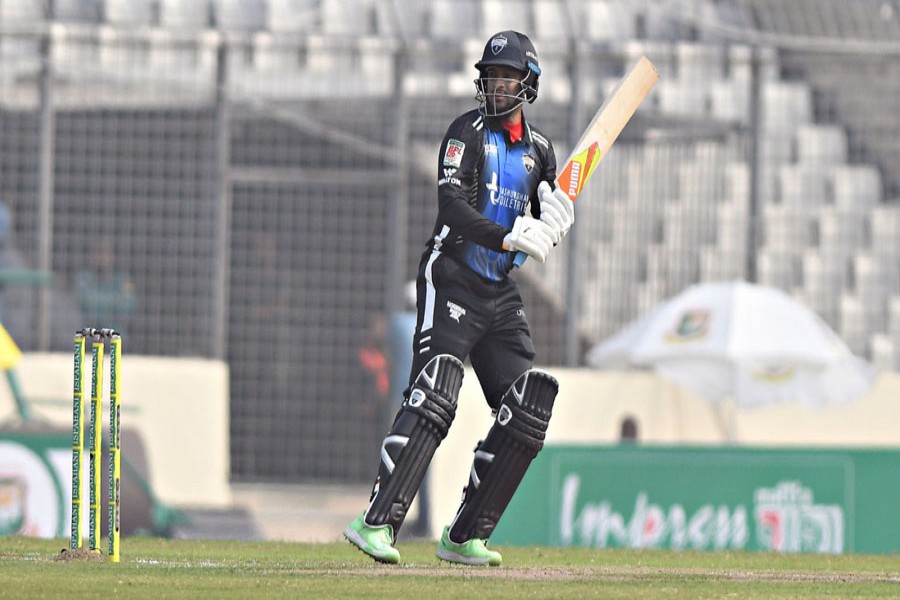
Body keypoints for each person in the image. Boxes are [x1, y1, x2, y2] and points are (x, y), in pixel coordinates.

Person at [344, 30, 574, 566]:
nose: (496, 87)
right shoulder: (464, 134)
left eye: (507, 78)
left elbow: (539, 223)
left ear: (529, 84)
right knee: (436, 389)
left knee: (526, 408)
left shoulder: (541, 152)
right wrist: (508, 237)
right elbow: (452, 207)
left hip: (499, 291)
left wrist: (555, 224)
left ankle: (464, 536)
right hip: (451, 277)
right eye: (490, 78)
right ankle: (375, 523)